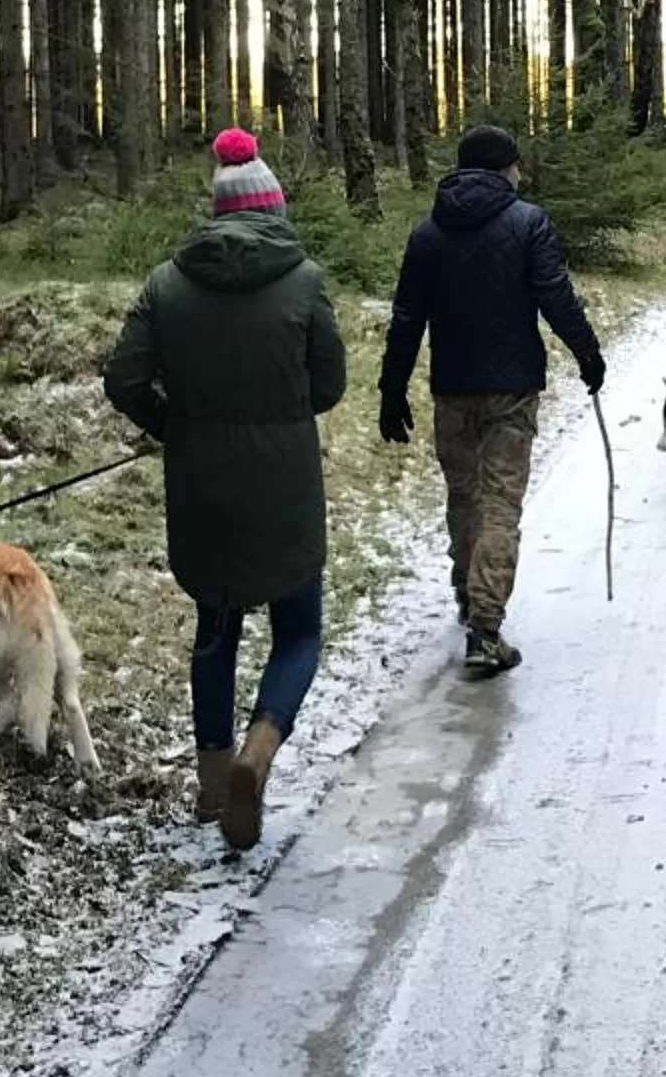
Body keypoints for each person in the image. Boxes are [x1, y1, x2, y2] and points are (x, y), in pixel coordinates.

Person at [107, 129, 347, 850]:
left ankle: (214, 786)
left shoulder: (166, 284)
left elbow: (123, 380)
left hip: (200, 483)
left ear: (216, 212)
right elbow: (330, 386)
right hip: (287, 484)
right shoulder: (303, 280)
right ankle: (260, 750)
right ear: (271, 208)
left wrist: (171, 423)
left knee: (214, 631)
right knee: (298, 627)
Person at [378, 124, 606, 677]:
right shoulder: (528, 222)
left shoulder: (428, 233)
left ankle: (467, 589)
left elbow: (407, 318)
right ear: (505, 168)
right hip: (512, 388)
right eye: (517, 165)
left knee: (465, 495)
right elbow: (555, 294)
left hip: (451, 388)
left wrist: (392, 387)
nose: (521, 174)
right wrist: (588, 354)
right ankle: (485, 627)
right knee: (500, 502)